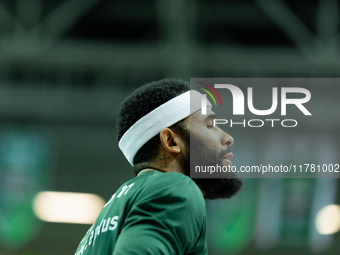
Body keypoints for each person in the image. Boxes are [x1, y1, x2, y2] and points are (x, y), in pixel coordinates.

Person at [75, 78, 242, 255]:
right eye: (210, 125)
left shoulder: (103, 219)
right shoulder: (174, 188)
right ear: (171, 141)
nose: (228, 137)